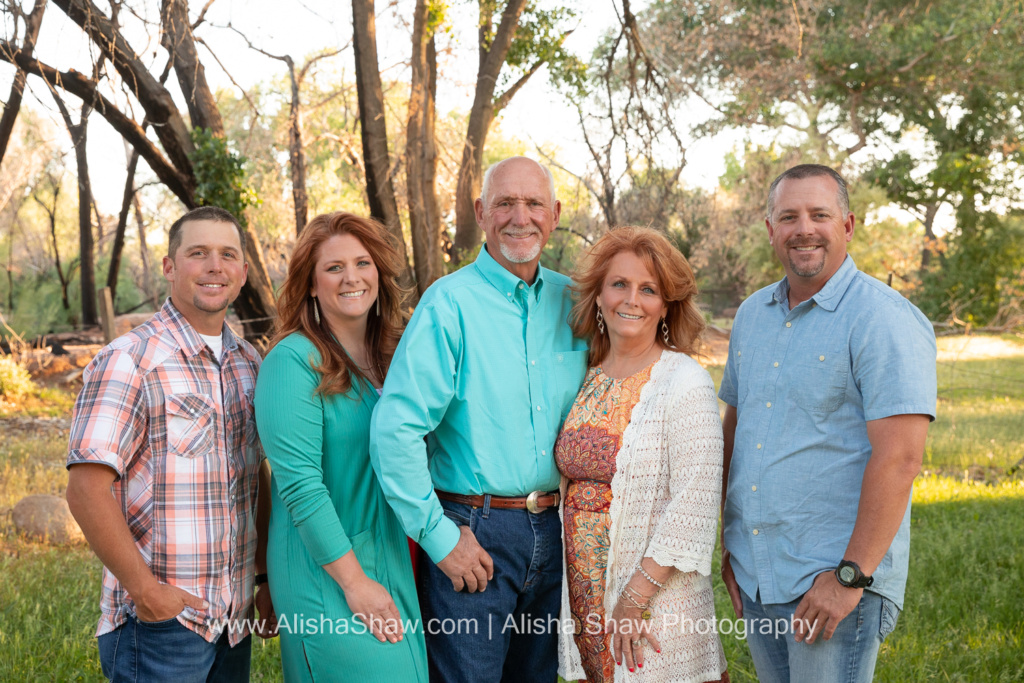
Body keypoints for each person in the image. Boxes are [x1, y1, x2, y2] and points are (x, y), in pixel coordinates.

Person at [369, 156, 588, 682]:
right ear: (480, 212)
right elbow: (395, 429)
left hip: (560, 531)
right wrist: (438, 536)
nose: (520, 216)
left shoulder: (575, 302)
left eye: (534, 203)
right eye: (505, 203)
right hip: (475, 531)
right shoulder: (449, 304)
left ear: (554, 214)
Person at [719, 164, 937, 682]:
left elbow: (901, 458)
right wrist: (728, 546)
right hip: (758, 573)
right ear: (771, 229)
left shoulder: (882, 319)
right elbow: (736, 428)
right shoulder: (753, 314)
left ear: (848, 224)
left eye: (820, 214)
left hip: (832, 581)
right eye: (788, 216)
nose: (804, 229)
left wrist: (848, 577)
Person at [65, 206, 276, 683]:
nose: (214, 266)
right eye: (197, 253)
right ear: (169, 266)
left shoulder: (249, 362)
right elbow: (85, 490)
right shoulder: (129, 360)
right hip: (161, 621)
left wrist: (262, 577)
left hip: (232, 615)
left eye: (227, 255)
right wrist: (146, 591)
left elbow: (252, 473)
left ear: (243, 272)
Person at [254, 212, 427, 682]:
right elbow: (300, 487)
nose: (351, 277)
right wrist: (354, 583)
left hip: (396, 557)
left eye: (362, 263)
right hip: (328, 570)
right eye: (333, 267)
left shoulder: (397, 355)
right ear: (310, 284)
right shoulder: (293, 362)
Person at [555, 227, 729, 683]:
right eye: (619, 284)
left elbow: (695, 500)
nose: (631, 299)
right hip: (585, 592)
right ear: (598, 295)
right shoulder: (584, 374)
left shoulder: (684, 380)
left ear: (666, 304)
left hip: (653, 597)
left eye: (648, 289)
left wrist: (635, 597)